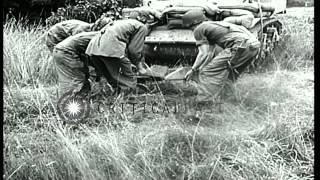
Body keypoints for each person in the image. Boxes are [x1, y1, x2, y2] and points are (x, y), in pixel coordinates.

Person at [183, 9, 260, 103]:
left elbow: (203, 53)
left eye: (190, 27)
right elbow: (210, 53)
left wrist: (193, 70)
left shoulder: (199, 29)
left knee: (206, 73)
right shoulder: (213, 26)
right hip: (253, 47)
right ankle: (228, 101)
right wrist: (201, 67)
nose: (191, 30)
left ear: (193, 23)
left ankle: (204, 104)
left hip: (239, 47)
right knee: (229, 75)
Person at [85, 12, 150, 94]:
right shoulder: (141, 26)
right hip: (109, 48)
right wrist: (139, 66)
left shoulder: (120, 22)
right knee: (127, 77)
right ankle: (130, 100)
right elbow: (134, 50)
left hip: (93, 49)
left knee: (113, 76)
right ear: (144, 20)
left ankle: (117, 95)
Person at [53, 31, 100, 97]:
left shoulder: (94, 34)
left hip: (59, 50)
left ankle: (70, 99)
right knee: (77, 79)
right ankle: (73, 101)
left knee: (69, 78)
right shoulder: (102, 38)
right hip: (67, 52)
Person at [45, 15, 113, 53]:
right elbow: (73, 46)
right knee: (61, 56)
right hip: (54, 36)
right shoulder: (82, 30)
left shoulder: (89, 31)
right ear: (98, 27)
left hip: (63, 34)